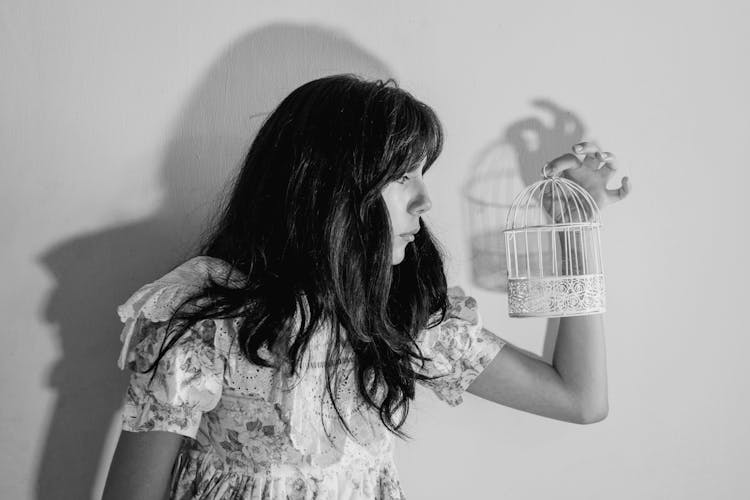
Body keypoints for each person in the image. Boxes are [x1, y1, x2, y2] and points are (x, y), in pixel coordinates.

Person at [102, 74, 631, 500]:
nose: (425, 202)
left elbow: (578, 398)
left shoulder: (399, 313)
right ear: (329, 187)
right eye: (403, 176)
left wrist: (573, 231)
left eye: (422, 174)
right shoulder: (205, 319)